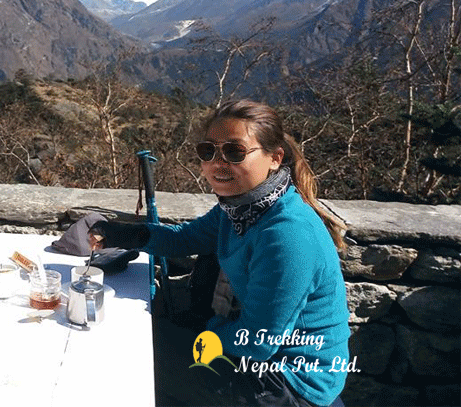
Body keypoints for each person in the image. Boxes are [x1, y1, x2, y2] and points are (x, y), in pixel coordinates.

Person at [89, 100, 350, 407]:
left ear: (275, 158)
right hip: (257, 355)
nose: (217, 163)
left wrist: (205, 333)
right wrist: (120, 234)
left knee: (132, 361)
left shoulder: (286, 234)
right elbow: (184, 239)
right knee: (141, 344)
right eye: (208, 151)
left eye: (234, 152)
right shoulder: (240, 208)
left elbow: (257, 342)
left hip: (291, 381)